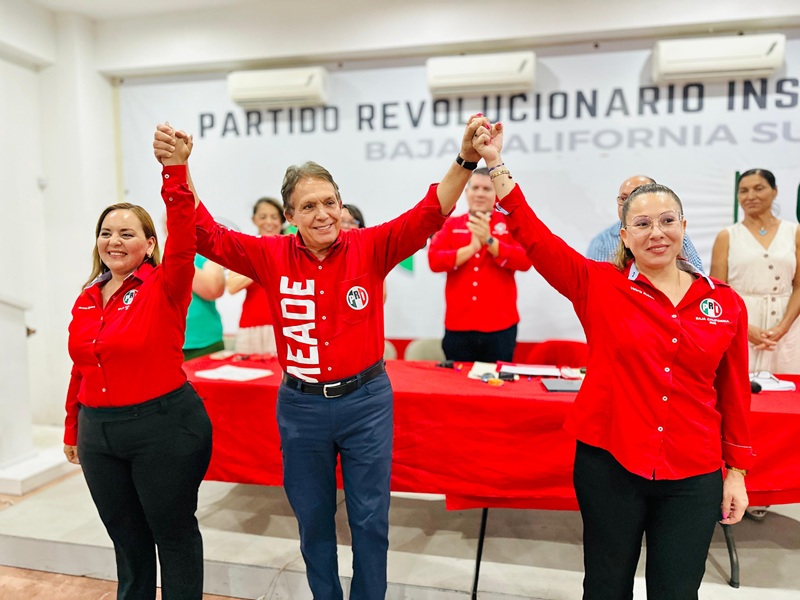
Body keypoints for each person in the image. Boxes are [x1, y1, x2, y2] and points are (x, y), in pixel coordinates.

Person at [153, 115, 485, 600]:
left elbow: (430, 211)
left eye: (330, 202)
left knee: (371, 521)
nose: (323, 214)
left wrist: (466, 159)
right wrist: (177, 168)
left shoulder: (371, 246)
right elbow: (205, 232)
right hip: (301, 408)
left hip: (366, 403)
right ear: (290, 215)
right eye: (308, 206)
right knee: (312, 523)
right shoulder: (270, 255)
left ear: (341, 204)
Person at [473, 121, 752, 600]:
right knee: (605, 587)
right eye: (642, 224)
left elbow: (734, 393)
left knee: (677, 592)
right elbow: (535, 238)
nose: (656, 233)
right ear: (624, 235)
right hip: (610, 465)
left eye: (667, 220)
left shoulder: (724, 303)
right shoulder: (600, 286)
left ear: (684, 227)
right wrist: (496, 164)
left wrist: (738, 472)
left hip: (692, 472)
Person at [63, 135, 212, 600]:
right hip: (98, 434)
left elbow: (184, 231)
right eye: (106, 232)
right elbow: (81, 367)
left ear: (149, 245)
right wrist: (72, 428)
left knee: (173, 535)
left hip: (163, 429)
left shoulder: (166, 284)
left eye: (127, 233)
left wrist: (175, 170)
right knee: (127, 542)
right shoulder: (88, 297)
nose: (114, 241)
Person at [428, 167, 531, 362]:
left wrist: (490, 242)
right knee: (456, 379)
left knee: (496, 380)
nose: (480, 194)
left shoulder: (509, 224)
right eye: (475, 188)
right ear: (467, 192)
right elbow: (434, 261)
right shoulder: (451, 224)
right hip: (458, 326)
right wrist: (470, 249)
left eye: (486, 189)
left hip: (500, 327)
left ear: (496, 194)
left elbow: (525, 261)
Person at [710, 168, 800, 375]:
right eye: (743, 191)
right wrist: (745, 328)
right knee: (742, 384)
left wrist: (783, 327)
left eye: (759, 188)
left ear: (775, 191)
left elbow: (799, 285)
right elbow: (718, 293)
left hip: (788, 326)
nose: (750, 196)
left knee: (790, 387)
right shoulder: (726, 236)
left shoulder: (794, 232)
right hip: (740, 324)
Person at [587, 175, 704, 272]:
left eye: (638, 195)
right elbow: (595, 283)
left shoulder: (674, 234)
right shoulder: (601, 241)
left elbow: (697, 273)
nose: (656, 234)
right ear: (624, 236)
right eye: (623, 198)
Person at [226, 197, 286, 354]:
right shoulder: (245, 247)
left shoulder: (291, 248)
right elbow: (232, 286)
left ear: (282, 220)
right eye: (263, 217)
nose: (269, 222)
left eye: (274, 217)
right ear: (254, 220)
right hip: (250, 326)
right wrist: (263, 260)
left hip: (285, 326)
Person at [183, 254, 226, 359]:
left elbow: (214, 289)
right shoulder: (151, 253)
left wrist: (178, 258)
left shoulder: (205, 254)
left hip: (205, 343)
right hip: (162, 345)